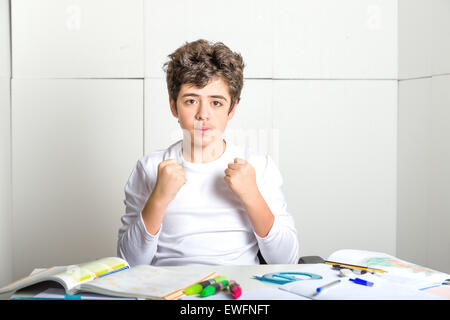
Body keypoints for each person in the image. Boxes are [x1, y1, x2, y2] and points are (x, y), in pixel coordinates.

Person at [117, 39, 299, 266]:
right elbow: (129, 263)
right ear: (174, 106)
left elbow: (286, 260)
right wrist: (158, 199)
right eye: (191, 101)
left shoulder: (258, 166)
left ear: (232, 108)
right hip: (168, 290)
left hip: (238, 292)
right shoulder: (149, 167)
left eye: (216, 103)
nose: (203, 114)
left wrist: (252, 196)